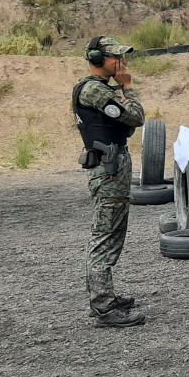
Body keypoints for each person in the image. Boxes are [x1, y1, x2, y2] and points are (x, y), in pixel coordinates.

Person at [73, 36, 146, 328]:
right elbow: (137, 116)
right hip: (109, 168)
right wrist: (128, 87)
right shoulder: (95, 91)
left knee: (113, 231)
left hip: (110, 164)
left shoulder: (98, 89)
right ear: (97, 59)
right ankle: (103, 307)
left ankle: (105, 297)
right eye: (116, 58)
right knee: (105, 235)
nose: (122, 63)